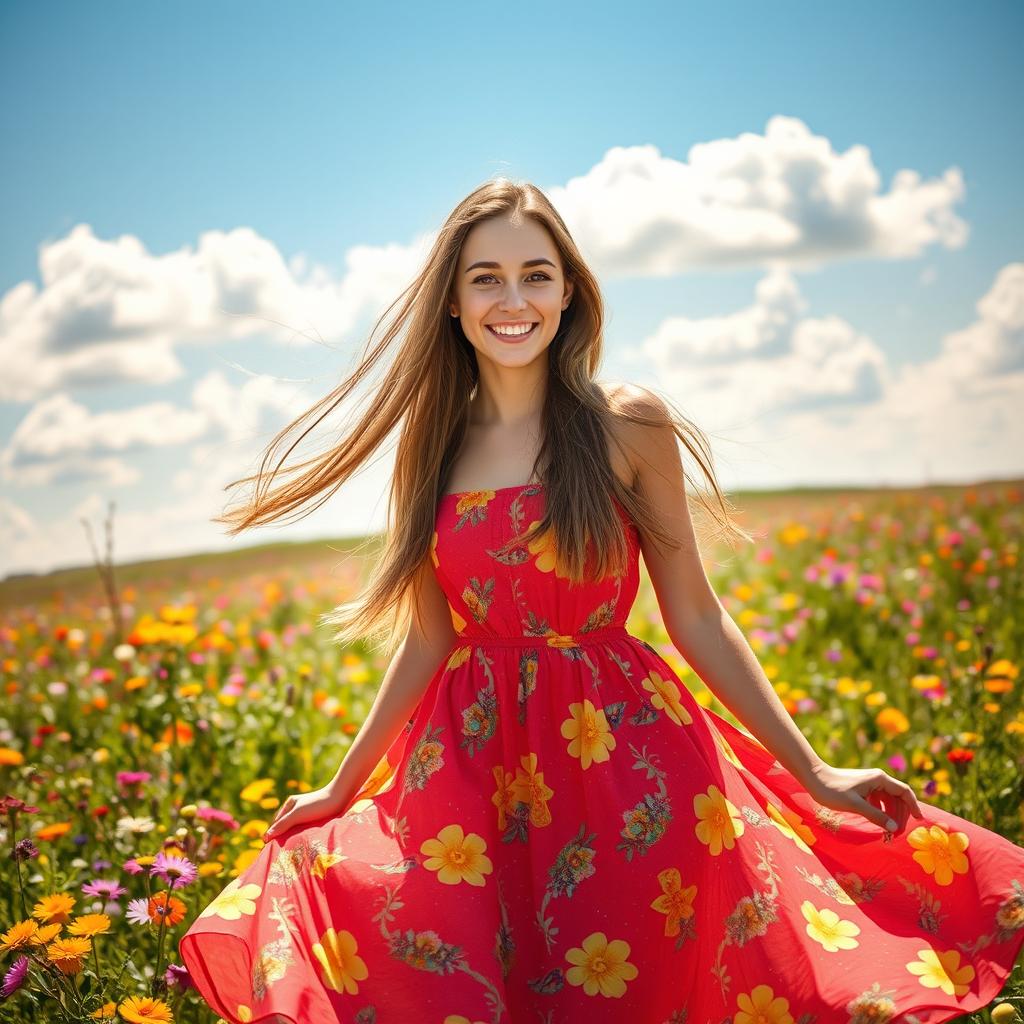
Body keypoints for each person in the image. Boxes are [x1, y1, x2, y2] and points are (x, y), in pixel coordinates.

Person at [179, 178, 1024, 1024]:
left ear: (570, 291)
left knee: (627, 984)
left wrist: (814, 769)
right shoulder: (432, 445)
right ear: (451, 302)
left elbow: (695, 612)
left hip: (626, 766)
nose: (514, 300)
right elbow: (430, 637)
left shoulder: (626, 422)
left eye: (537, 275)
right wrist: (340, 785)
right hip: (471, 778)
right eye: (486, 278)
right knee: (360, 909)